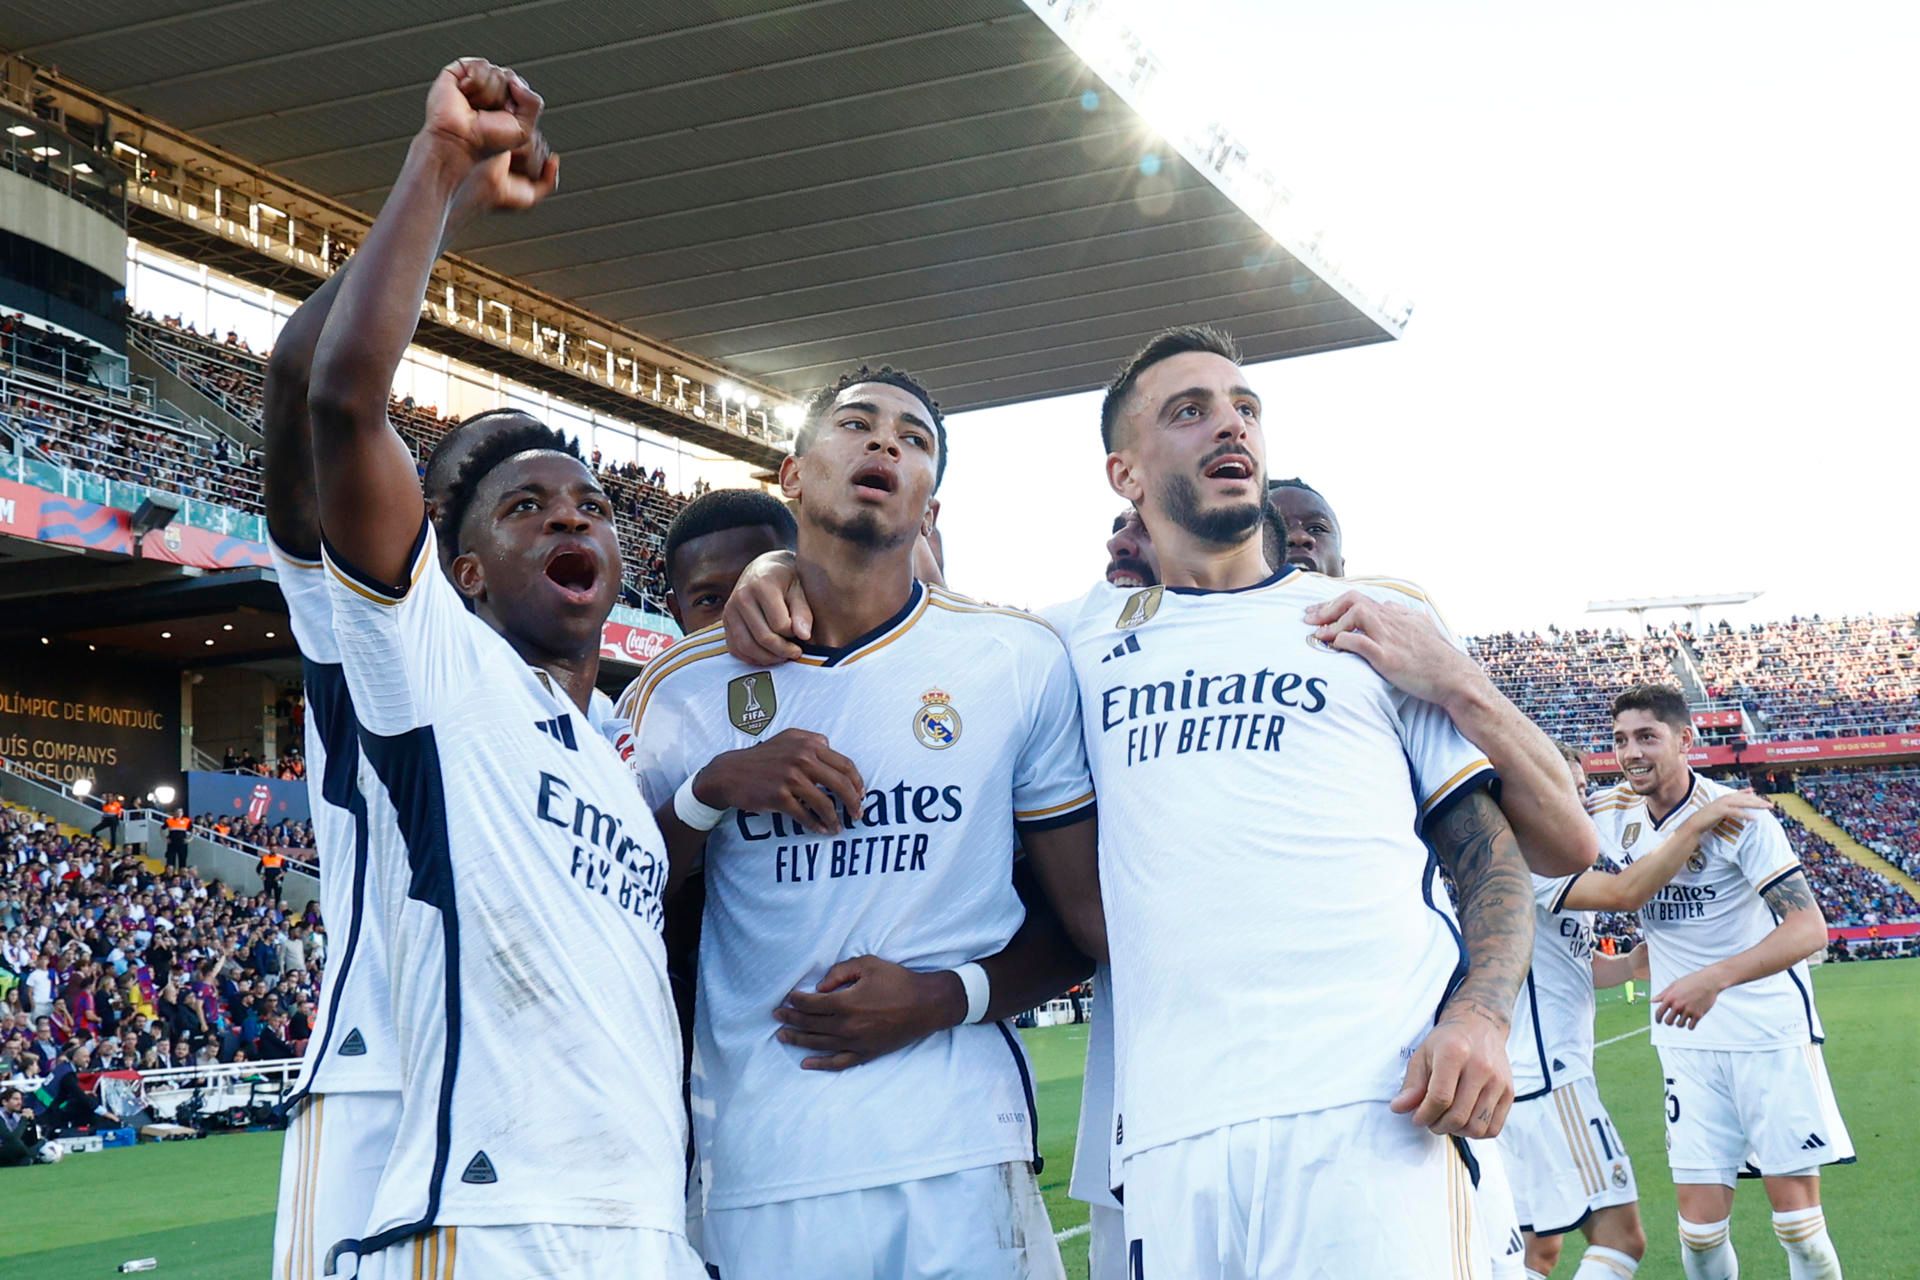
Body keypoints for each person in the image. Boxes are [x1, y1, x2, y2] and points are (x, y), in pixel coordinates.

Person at [720, 326, 1597, 1276]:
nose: (1232, 425)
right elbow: (903, 609)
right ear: (1124, 473)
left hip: (1374, 1110)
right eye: (1192, 411)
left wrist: (1479, 1017)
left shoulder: (1367, 627)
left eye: (1245, 408)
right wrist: (770, 572)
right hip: (1172, 1142)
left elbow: (1510, 852)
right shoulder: (1066, 643)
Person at [305, 57, 701, 1279]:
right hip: (487, 1227)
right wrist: (442, 172)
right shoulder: (436, 672)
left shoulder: (611, 768)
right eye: (526, 507)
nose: (571, 518)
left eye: (589, 504)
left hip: (645, 1228)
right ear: (458, 572)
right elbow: (335, 404)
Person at [625, 367, 1096, 1279]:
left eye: (914, 440)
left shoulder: (1015, 661)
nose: (886, 445)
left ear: (930, 501)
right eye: (856, 425)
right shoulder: (680, 688)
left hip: (960, 1147)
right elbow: (613, 893)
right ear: (793, 473)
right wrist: (710, 790)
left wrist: (936, 998)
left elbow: (1081, 926)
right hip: (759, 1163)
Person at [1594, 684, 1850, 1280]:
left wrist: (1715, 977)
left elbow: (1810, 929)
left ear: (1686, 740)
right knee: (1700, 1236)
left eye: (1647, 736)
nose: (1631, 752)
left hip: (1768, 1032)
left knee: (1801, 1232)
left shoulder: (1739, 817)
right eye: (1620, 739)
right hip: (1686, 1040)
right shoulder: (1610, 812)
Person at [1502, 742, 1774, 1280]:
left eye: (1584, 790)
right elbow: (1626, 892)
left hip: (1519, 1080)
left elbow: (1560, 968)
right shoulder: (1529, 860)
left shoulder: (1520, 858)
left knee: (1537, 1253)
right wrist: (1695, 825)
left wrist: (1628, 965)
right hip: (1552, 1081)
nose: (1582, 804)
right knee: (1621, 1240)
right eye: (1568, 791)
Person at [0, 1086, 51, 1165]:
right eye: (15, 1099)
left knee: (35, 1142)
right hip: (4, 1147)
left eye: (20, 1099)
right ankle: (32, 1157)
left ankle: (26, 1160)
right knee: (17, 1144)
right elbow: (11, 1139)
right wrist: (24, 1119)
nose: (20, 1102)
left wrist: (31, 1121)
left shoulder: (16, 1116)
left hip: (11, 1150)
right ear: (4, 1102)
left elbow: (31, 1140)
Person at [163, 809, 192, 873]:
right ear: (174, 813)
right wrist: (165, 838)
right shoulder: (169, 820)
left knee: (182, 861)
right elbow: (162, 829)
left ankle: (181, 877)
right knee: (170, 861)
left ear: (182, 813)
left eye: (180, 812)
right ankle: (170, 875)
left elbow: (193, 830)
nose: (179, 813)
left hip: (182, 843)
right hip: (172, 843)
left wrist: (189, 839)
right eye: (177, 812)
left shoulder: (187, 821)